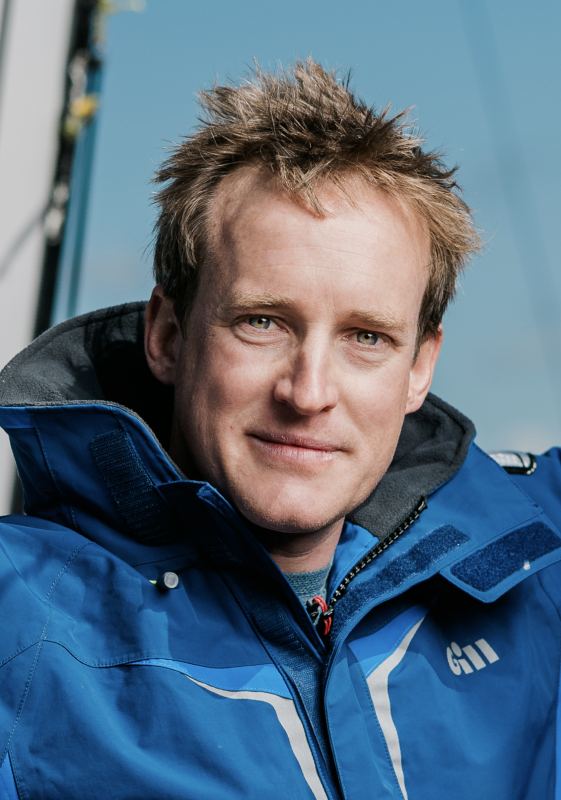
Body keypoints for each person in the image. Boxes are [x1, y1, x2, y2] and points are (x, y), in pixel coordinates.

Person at [0, 59, 560, 800]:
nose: (308, 392)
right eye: (261, 322)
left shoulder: (537, 554)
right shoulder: (18, 616)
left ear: (420, 367)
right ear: (167, 335)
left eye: (366, 337)